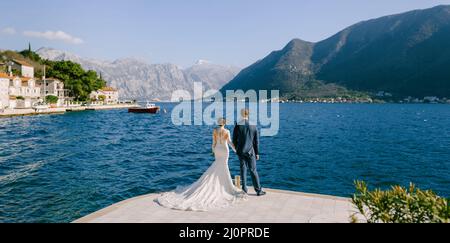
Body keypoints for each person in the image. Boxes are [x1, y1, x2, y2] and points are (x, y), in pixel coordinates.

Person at [156, 118, 246, 211]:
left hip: (217, 150)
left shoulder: (215, 130)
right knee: (224, 167)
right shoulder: (227, 131)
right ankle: (225, 186)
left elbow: (213, 143)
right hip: (224, 150)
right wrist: (236, 150)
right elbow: (230, 142)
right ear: (225, 123)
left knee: (217, 165)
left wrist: (213, 151)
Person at [233, 109, 266, 196]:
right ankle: (258, 190)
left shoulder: (238, 124)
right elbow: (256, 141)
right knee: (253, 170)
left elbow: (234, 139)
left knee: (243, 170)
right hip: (251, 151)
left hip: (241, 151)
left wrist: (237, 148)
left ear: (241, 114)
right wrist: (257, 153)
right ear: (248, 114)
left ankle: (244, 189)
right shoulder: (253, 125)